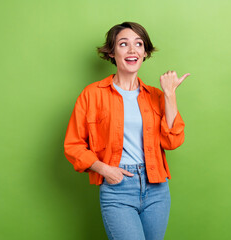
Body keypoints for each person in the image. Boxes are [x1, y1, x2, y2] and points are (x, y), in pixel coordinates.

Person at [64, 21, 189, 240]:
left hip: (157, 188)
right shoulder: (92, 94)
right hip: (118, 187)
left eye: (138, 44)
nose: (132, 49)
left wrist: (170, 94)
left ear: (144, 52)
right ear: (112, 53)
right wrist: (104, 169)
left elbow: (173, 142)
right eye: (124, 44)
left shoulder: (156, 96)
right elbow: (73, 145)